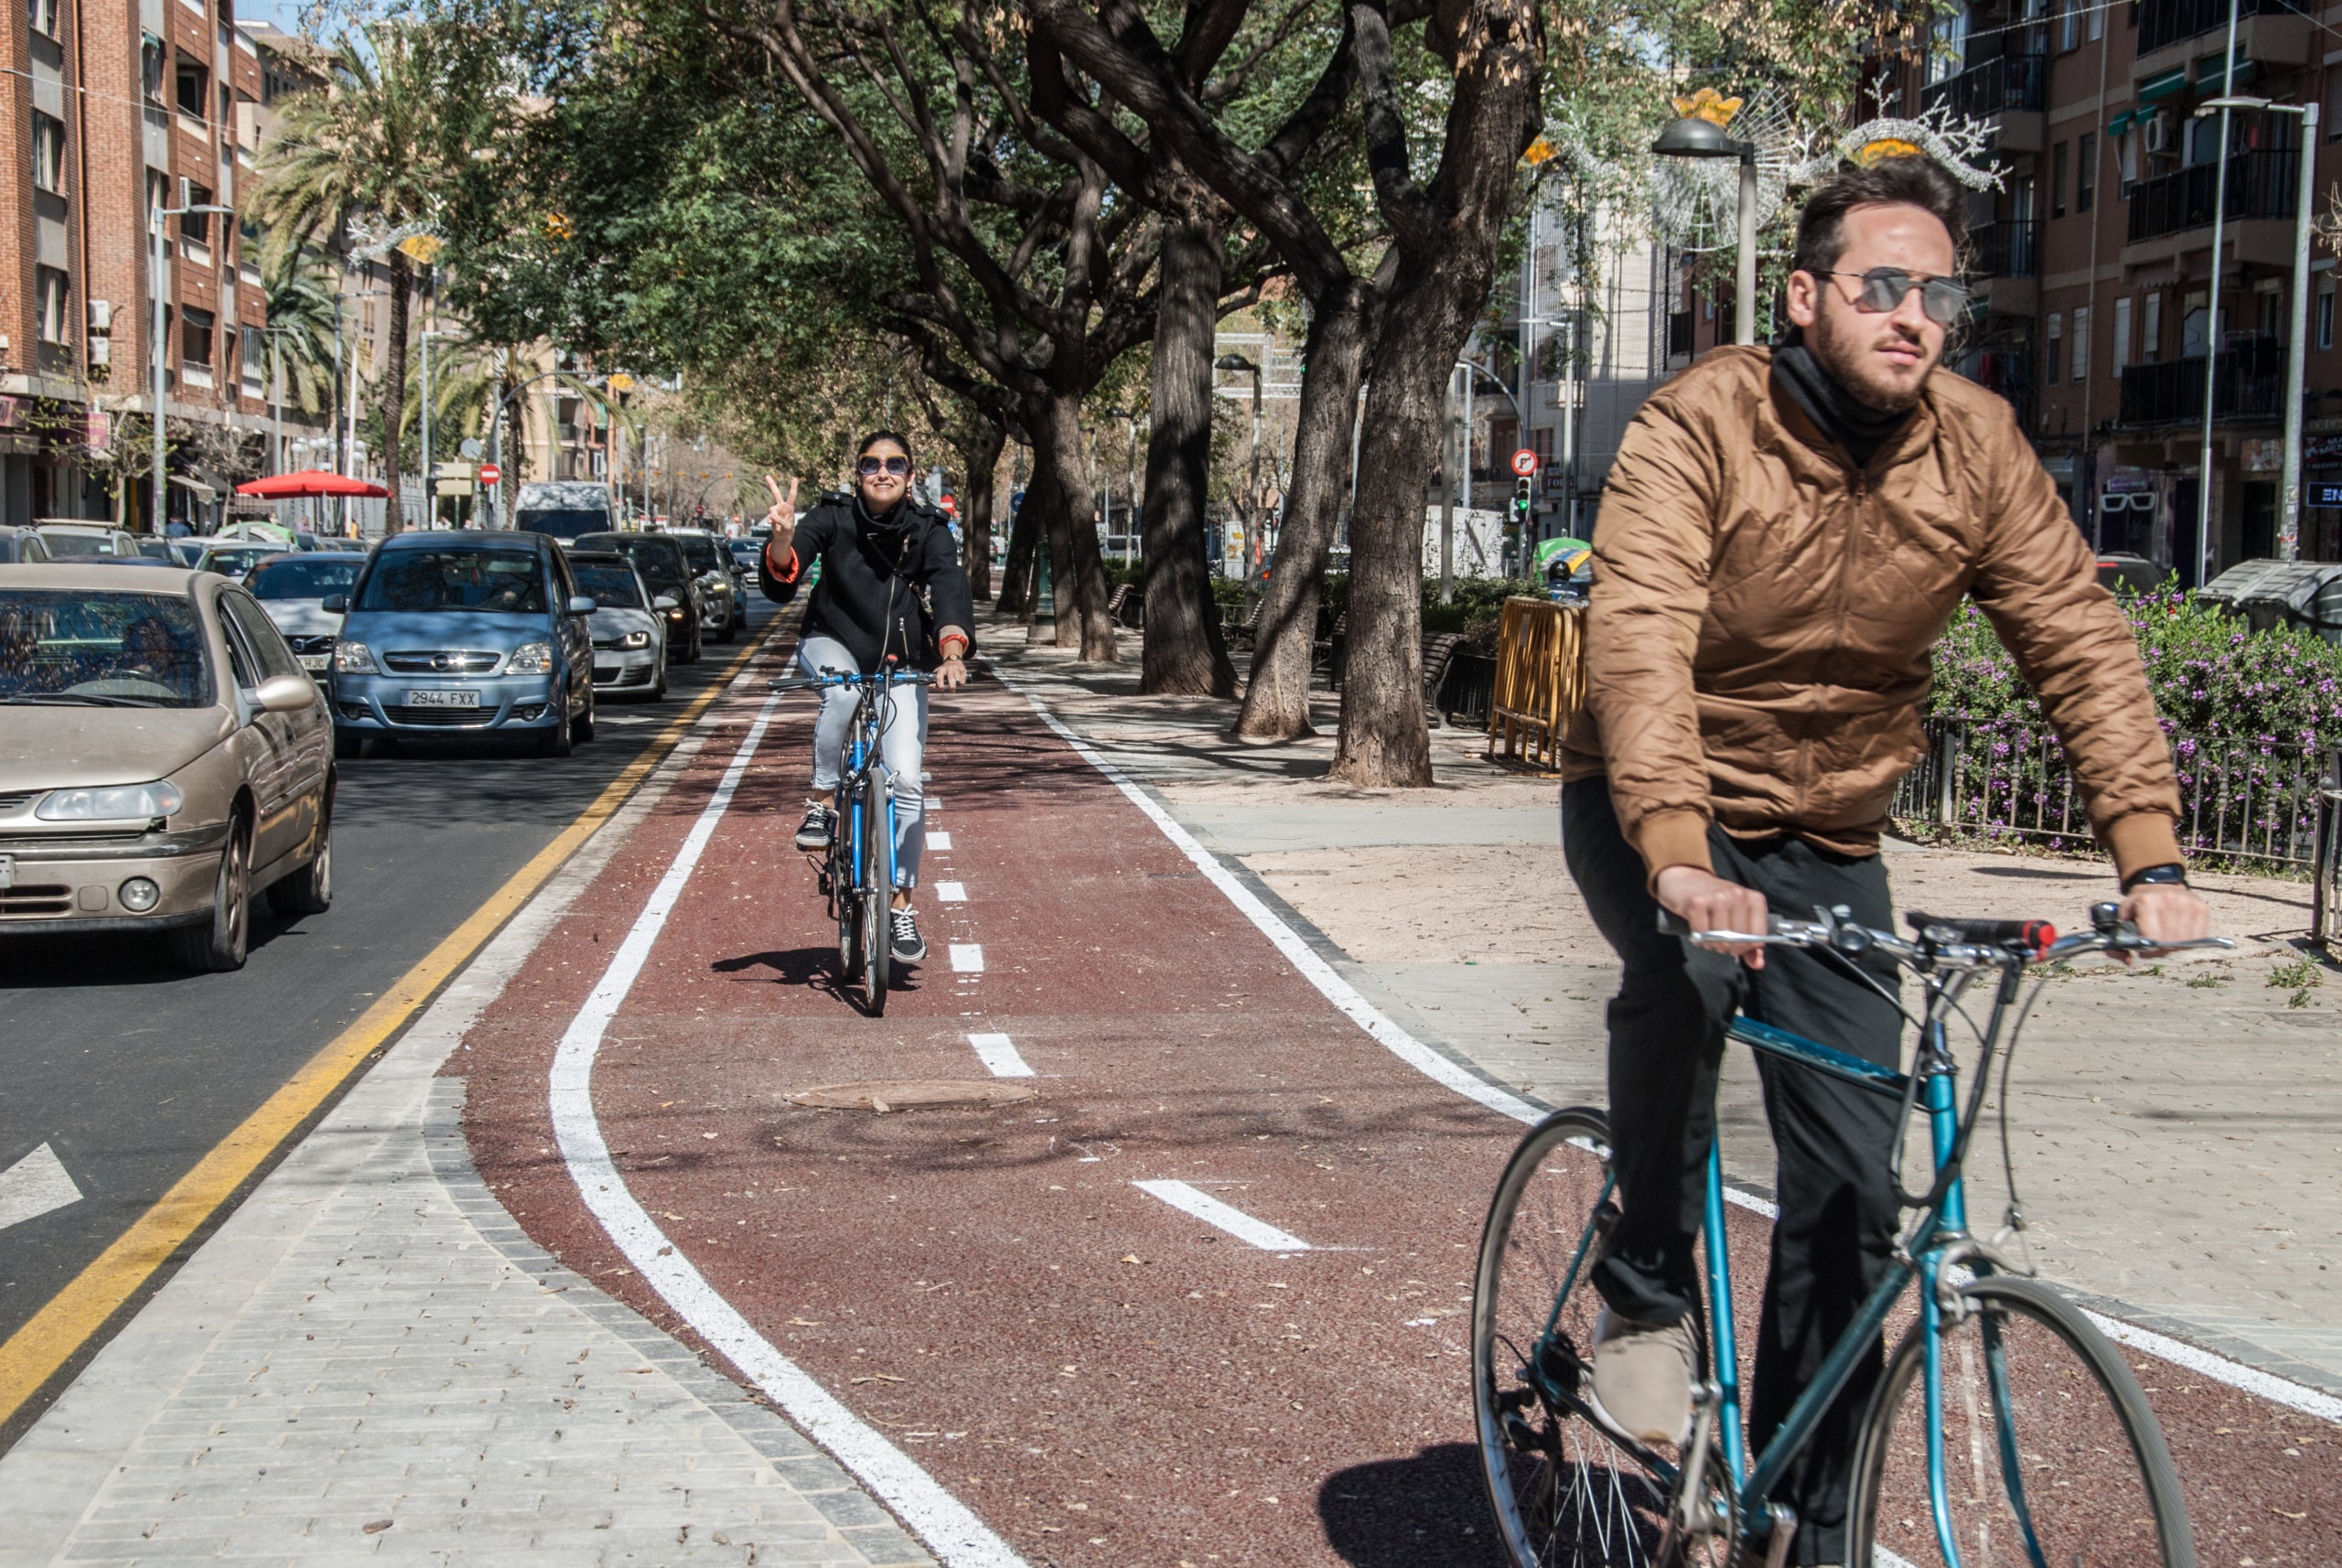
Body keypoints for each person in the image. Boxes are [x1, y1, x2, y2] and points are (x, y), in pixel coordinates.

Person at [1558, 156, 2210, 1568]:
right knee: (1693, 981)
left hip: (1830, 829)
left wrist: (2146, 852)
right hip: (1655, 796)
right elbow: (1643, 637)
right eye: (1884, 286)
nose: (1915, 315)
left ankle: (1803, 1516)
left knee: (1857, 1184)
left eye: (1939, 294)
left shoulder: (1976, 444)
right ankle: (1647, 1284)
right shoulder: (1701, 422)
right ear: (1806, 298)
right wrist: (1674, 854)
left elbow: (2075, 637)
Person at [762, 432, 973, 963]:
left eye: (895, 464)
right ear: (857, 473)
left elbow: (948, 586)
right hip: (831, 640)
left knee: (906, 781)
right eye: (871, 464)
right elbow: (785, 576)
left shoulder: (929, 528)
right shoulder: (831, 516)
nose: (883, 472)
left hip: (900, 657)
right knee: (842, 693)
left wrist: (950, 653)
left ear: (910, 473)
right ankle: (824, 802)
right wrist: (785, 538)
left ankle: (900, 907)